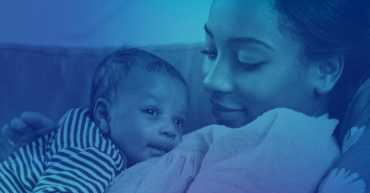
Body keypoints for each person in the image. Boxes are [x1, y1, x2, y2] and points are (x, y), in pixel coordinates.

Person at [3, 0, 370, 192]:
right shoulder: (229, 134)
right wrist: (67, 147)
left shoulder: (286, 141)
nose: (210, 80)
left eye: (247, 61)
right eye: (209, 52)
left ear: (324, 70)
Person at [0, 47, 189, 193]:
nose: (170, 129)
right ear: (104, 115)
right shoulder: (97, 153)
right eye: (151, 111)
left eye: (178, 121)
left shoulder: (87, 135)